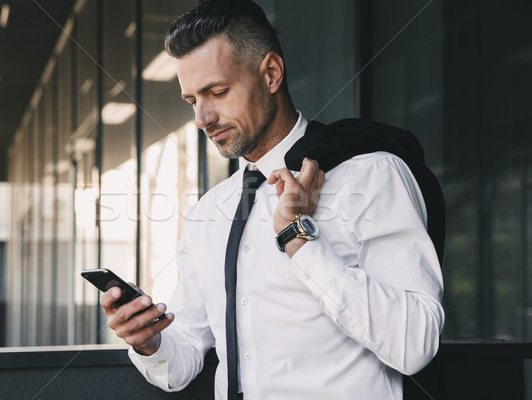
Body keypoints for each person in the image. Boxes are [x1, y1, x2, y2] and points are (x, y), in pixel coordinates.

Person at [100, 1, 444, 399]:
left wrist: (298, 239)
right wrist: (149, 343)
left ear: (271, 74)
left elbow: (414, 345)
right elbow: (185, 357)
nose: (202, 118)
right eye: (193, 101)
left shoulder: (371, 176)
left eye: (218, 91)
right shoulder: (209, 212)